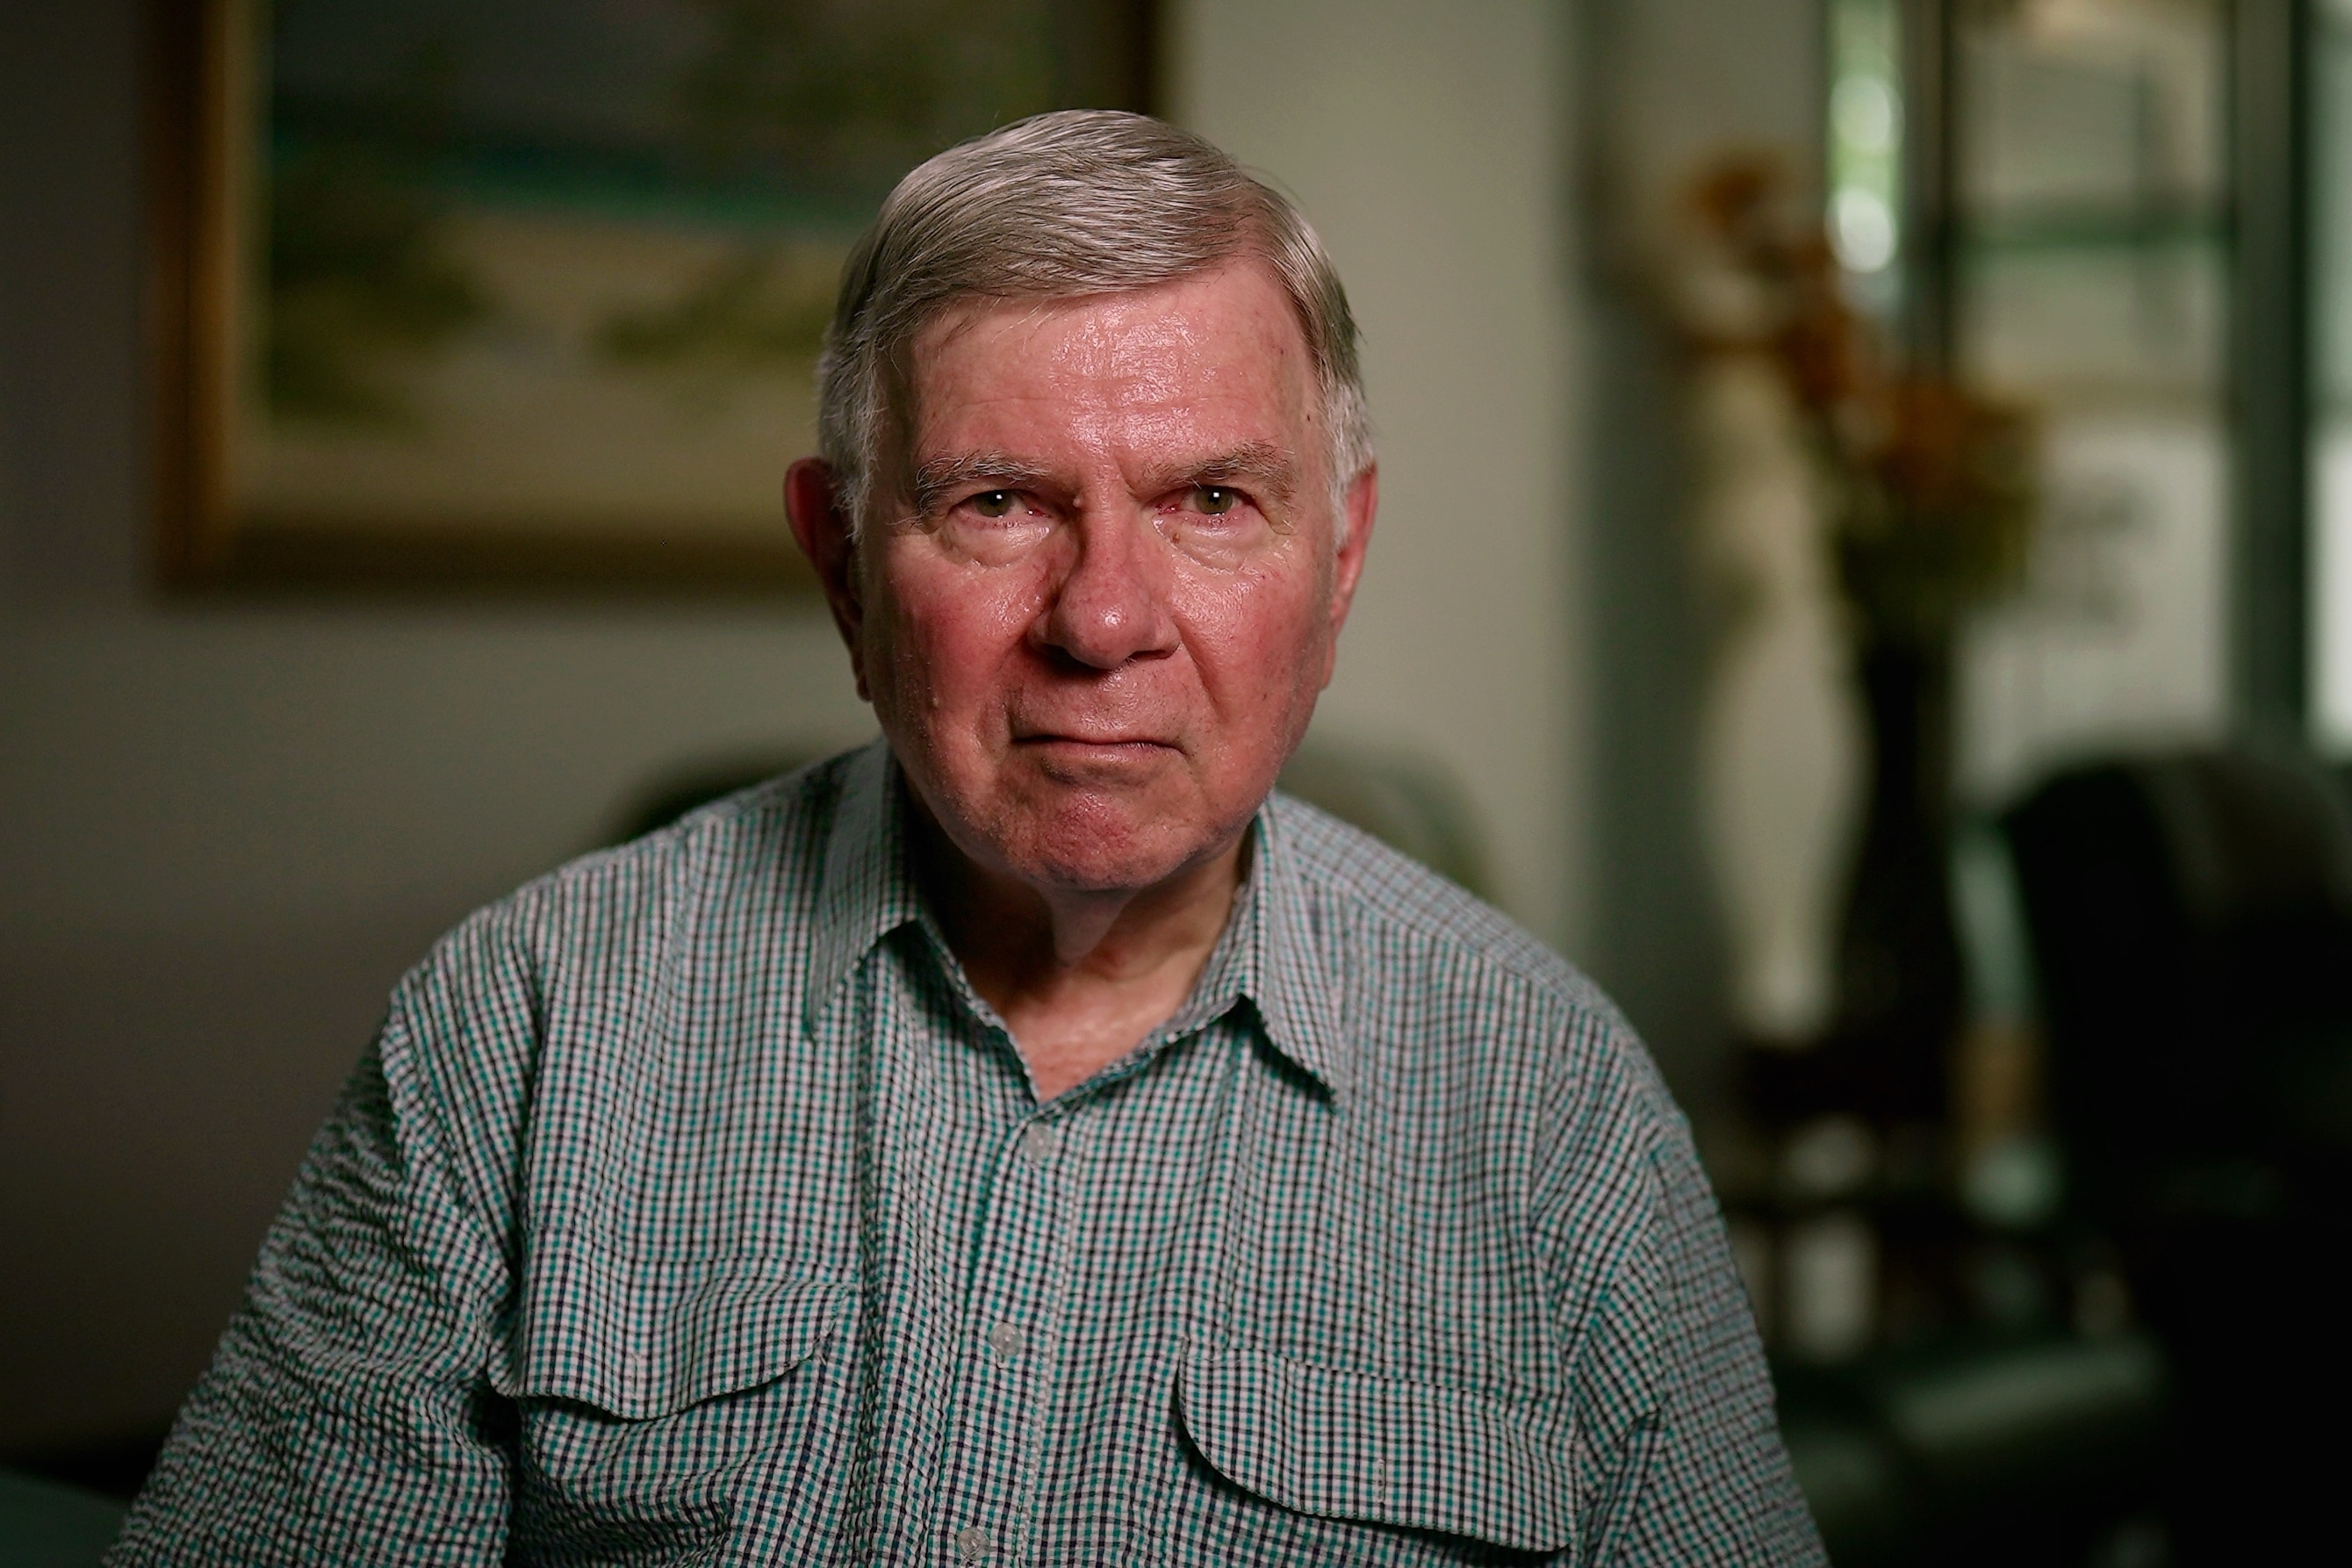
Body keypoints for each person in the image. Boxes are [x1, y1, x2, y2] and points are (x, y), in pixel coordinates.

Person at [110, 111, 1823, 1565]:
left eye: (1209, 500)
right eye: (995, 501)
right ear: (839, 557)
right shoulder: (522, 1026)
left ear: (1341, 554)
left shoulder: (1554, 1106)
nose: (1100, 618)